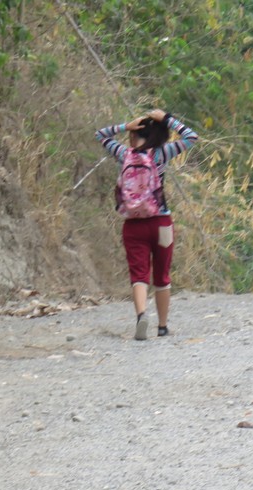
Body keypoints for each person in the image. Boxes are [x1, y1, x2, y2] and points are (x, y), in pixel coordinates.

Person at [96, 108, 198, 340]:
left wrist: (125, 126)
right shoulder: (162, 154)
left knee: (139, 275)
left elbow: (100, 135)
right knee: (162, 276)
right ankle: (162, 327)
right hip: (161, 222)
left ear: (134, 134)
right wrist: (168, 119)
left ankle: (142, 315)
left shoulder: (124, 153)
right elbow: (192, 137)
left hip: (134, 225)